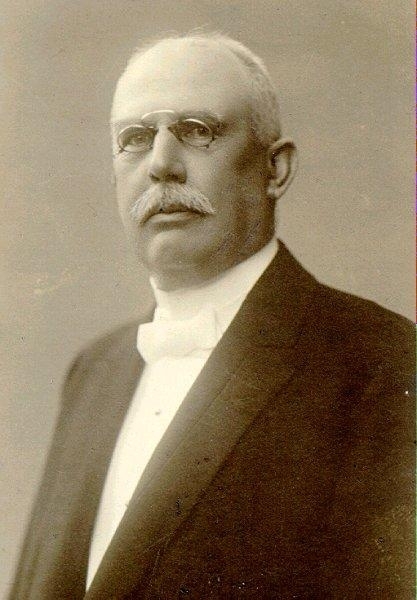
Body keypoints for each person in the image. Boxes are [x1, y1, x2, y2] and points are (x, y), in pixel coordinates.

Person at [11, 33, 414, 599]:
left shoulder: (382, 363)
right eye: (135, 138)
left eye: (197, 131)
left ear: (275, 170)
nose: (161, 165)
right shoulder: (94, 371)